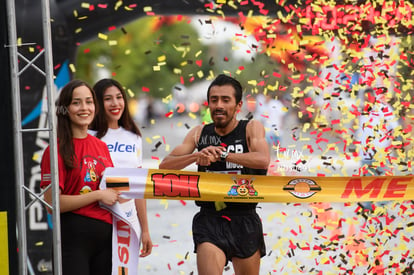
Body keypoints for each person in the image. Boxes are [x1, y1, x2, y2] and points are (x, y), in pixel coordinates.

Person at [159, 74, 270, 275]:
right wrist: (195, 157)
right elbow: (164, 165)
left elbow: (263, 159)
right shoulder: (199, 133)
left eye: (225, 100)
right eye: (214, 100)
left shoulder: (251, 128)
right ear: (208, 104)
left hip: (244, 219)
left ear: (238, 106)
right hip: (210, 220)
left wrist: (224, 154)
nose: (218, 105)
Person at [40, 79, 119, 275]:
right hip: (73, 240)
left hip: (107, 238)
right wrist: (98, 195)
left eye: (89, 102)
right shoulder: (55, 150)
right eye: (76, 103)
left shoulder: (101, 146)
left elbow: (111, 190)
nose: (85, 108)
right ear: (65, 109)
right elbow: (51, 203)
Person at [89, 79, 153, 266]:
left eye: (119, 97)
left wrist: (145, 230)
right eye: (108, 99)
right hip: (96, 216)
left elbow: (138, 186)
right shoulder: (89, 136)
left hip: (126, 219)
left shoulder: (133, 137)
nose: (115, 103)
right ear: (98, 103)